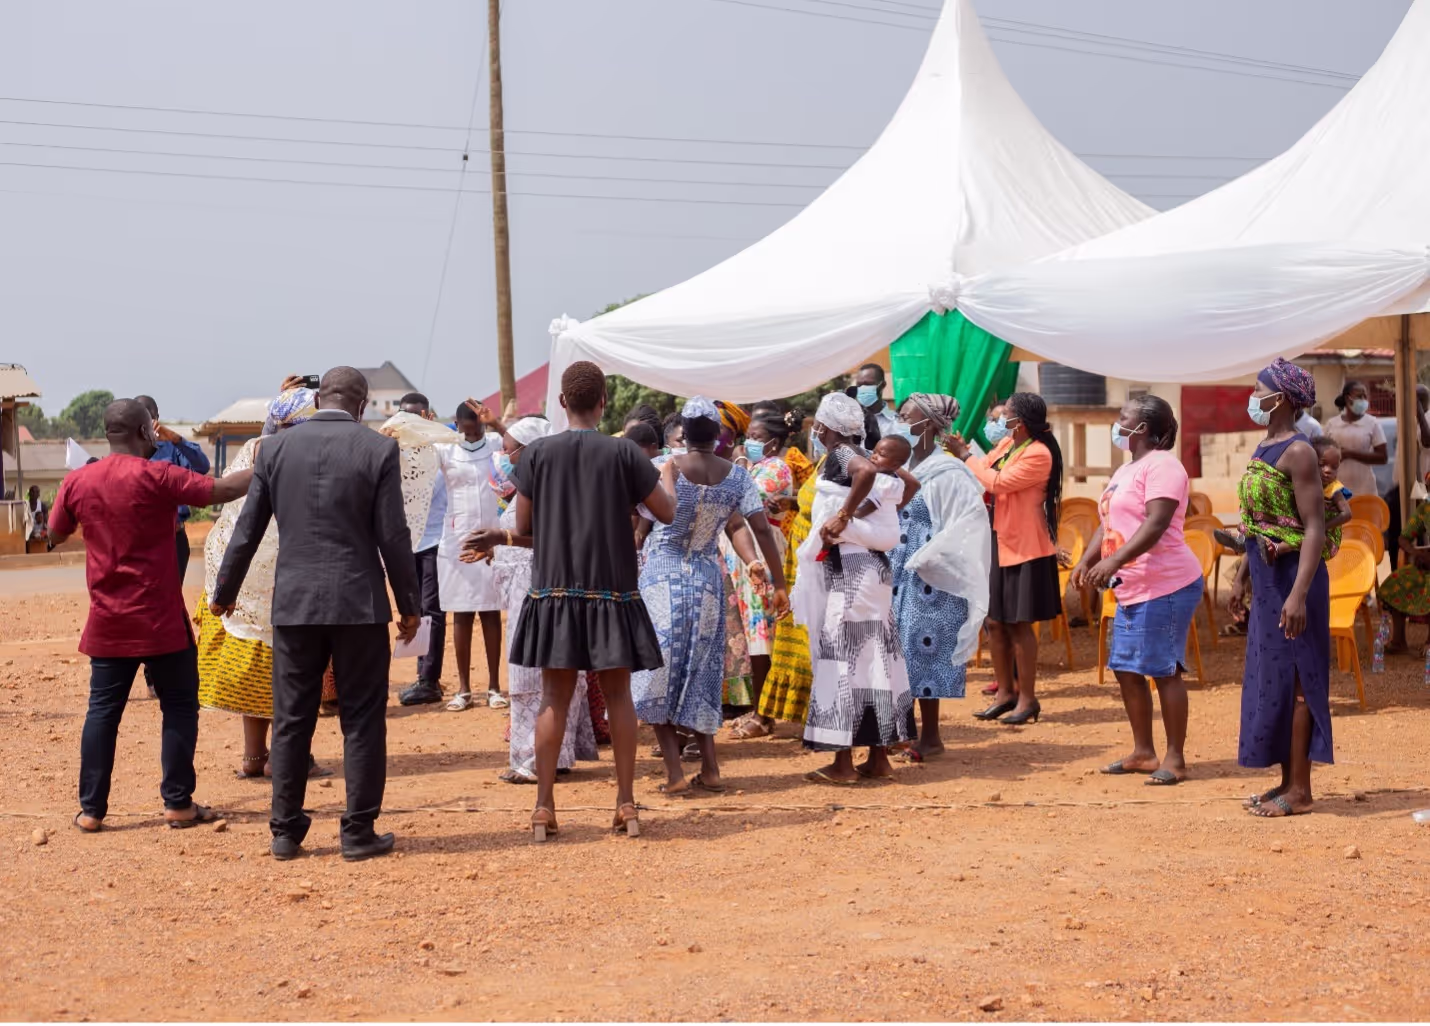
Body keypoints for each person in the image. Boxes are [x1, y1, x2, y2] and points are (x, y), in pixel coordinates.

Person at [212, 367, 421, 862]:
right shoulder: (378, 450)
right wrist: (409, 605)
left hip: (295, 605)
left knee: (291, 719)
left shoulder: (275, 450)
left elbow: (247, 528)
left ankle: (285, 833)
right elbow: (393, 535)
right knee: (362, 718)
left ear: (319, 400)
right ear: (362, 406)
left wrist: (225, 591)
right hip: (359, 605)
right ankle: (358, 832)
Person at [49, 398, 253, 833]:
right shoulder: (159, 476)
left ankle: (91, 811)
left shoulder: (78, 481)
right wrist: (274, 461)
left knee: (102, 713)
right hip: (161, 623)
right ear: (145, 432)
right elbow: (221, 489)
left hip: (108, 623)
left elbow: (55, 532)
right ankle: (178, 804)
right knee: (179, 707)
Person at [508, 361, 676, 841]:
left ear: (562, 402)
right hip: (612, 590)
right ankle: (626, 802)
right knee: (619, 696)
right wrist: (666, 473)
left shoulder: (537, 454)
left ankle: (543, 807)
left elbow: (522, 527)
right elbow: (666, 512)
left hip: (555, 591)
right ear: (603, 401)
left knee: (554, 698)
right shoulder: (624, 453)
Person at [633, 398, 789, 794]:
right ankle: (711, 768)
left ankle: (674, 774)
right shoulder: (736, 477)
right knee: (701, 672)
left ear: (683, 432)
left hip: (662, 578)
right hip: (706, 579)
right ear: (719, 435)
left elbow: (637, 522)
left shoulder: (661, 468)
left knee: (658, 673)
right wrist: (775, 579)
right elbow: (750, 527)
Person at [195, 385, 331, 780]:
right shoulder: (307, 456)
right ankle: (290, 758)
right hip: (290, 580)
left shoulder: (255, 448)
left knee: (258, 671)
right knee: (297, 673)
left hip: (243, 579)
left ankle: (254, 757)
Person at [1073, 396, 1203, 785]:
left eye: (1122, 417)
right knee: (1126, 669)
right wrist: (1087, 559)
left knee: (1164, 669)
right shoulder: (1126, 469)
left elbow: (1156, 522)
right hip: (1131, 585)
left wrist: (1114, 560)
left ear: (1142, 428)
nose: (1117, 422)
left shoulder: (1165, 466)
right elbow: (1109, 521)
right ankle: (1143, 752)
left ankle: (1175, 759)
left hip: (1165, 582)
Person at [461, 417, 598, 782]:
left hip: (540, 588)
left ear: (529, 450)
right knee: (549, 671)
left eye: (508, 450)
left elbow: (542, 536)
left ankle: (535, 760)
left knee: (534, 674)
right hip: (540, 585)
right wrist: (497, 549)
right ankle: (553, 755)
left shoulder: (541, 484)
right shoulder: (544, 481)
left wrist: (500, 539)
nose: (503, 457)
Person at [791, 392, 916, 784]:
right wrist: (868, 518)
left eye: (818, 426)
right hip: (873, 568)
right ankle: (878, 759)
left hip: (849, 570)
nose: (816, 432)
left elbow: (863, 474)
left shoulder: (844, 453)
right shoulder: (870, 455)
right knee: (876, 659)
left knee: (842, 659)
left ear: (826, 428)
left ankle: (842, 763)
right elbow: (908, 484)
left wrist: (844, 516)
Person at [1231, 358, 1332, 819]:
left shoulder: (1300, 451)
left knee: (1299, 681)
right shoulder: (1264, 446)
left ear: (1282, 399)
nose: (1253, 397)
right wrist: (1242, 577)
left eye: (1259, 389)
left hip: (1295, 580)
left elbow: (1314, 528)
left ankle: (1302, 790)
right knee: (1274, 679)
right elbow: (1258, 525)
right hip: (1268, 580)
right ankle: (1286, 781)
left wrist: (1297, 595)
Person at [946, 392, 1063, 726]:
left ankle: (1028, 698)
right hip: (998, 540)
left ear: (1019, 421)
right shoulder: (1009, 445)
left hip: (1025, 546)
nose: (997, 420)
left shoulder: (1038, 453)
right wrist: (970, 460)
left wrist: (965, 455)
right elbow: (983, 471)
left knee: (1019, 623)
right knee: (995, 620)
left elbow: (997, 483)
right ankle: (1005, 694)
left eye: (1004, 415)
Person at [886, 394, 991, 762]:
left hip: (930, 574)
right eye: (899, 416)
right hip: (895, 569)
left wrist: (931, 554)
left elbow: (970, 521)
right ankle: (903, 731)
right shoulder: (898, 464)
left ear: (929, 424)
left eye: (906, 417)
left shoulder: (948, 472)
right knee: (895, 648)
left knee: (922, 649)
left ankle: (930, 736)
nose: (899, 422)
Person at [432, 399, 507, 712]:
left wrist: (496, 423)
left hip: (492, 539)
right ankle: (463, 689)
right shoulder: (446, 449)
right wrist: (426, 428)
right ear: (458, 425)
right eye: (468, 430)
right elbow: (414, 454)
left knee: (490, 612)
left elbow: (524, 445)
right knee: (461, 613)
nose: (474, 435)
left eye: (478, 429)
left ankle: (494, 687)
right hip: (457, 541)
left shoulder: (496, 443)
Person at [725, 410, 795, 732]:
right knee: (750, 633)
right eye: (747, 436)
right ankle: (757, 708)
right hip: (745, 554)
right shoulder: (754, 467)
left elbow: (745, 497)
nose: (748, 442)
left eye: (755, 437)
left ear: (773, 443)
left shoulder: (777, 468)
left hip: (763, 553)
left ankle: (764, 715)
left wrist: (739, 462)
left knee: (760, 634)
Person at [396, 392, 450, 707]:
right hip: (407, 541)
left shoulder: (441, 448)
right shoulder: (395, 451)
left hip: (434, 540)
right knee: (413, 609)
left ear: (428, 417)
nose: (410, 421)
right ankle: (422, 676)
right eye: (405, 415)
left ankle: (429, 680)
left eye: (415, 415)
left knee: (432, 610)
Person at [134, 393, 211, 586]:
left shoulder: (172, 448)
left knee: (171, 595)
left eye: (149, 419)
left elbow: (202, 466)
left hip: (173, 539)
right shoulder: (126, 453)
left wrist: (175, 438)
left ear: (156, 420)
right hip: (139, 540)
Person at [1321, 380, 1386, 498]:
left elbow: (1382, 457)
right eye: (1359, 396)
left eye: (1365, 396)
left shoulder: (1372, 423)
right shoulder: (1332, 424)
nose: (1364, 400)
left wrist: (1350, 454)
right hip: (1336, 490)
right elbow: (1320, 453)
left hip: (1365, 489)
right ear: (1348, 398)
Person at [853, 363, 898, 441]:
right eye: (859, 385)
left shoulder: (896, 422)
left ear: (882, 385)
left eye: (868, 384)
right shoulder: (848, 419)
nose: (863, 388)